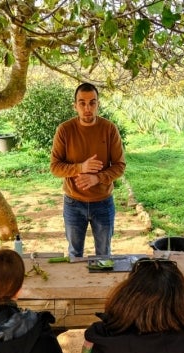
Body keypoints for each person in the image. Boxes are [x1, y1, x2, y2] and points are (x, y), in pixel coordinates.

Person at [50, 82, 126, 258]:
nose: (87, 108)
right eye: (82, 103)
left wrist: (98, 178)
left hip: (103, 203)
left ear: (98, 104)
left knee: (104, 255)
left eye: (92, 102)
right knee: (75, 254)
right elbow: (55, 167)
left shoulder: (109, 129)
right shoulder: (65, 130)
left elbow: (119, 165)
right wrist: (80, 168)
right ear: (75, 106)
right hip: (73, 203)